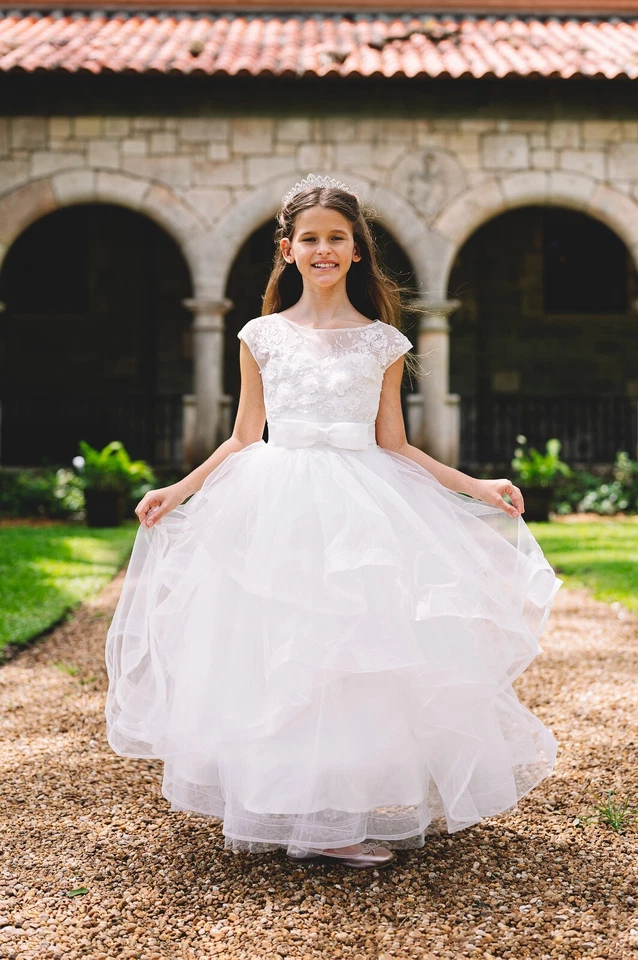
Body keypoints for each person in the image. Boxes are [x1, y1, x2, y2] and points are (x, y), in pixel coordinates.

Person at [105, 173, 562, 871]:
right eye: (310, 239)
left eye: (337, 239)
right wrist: (182, 488)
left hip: (359, 503)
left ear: (356, 251)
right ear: (288, 251)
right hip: (275, 499)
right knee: (277, 648)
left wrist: (477, 485)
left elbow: (397, 445)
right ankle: (279, 796)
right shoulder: (261, 335)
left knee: (352, 652)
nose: (324, 250)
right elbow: (241, 436)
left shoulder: (382, 342)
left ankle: (337, 811)